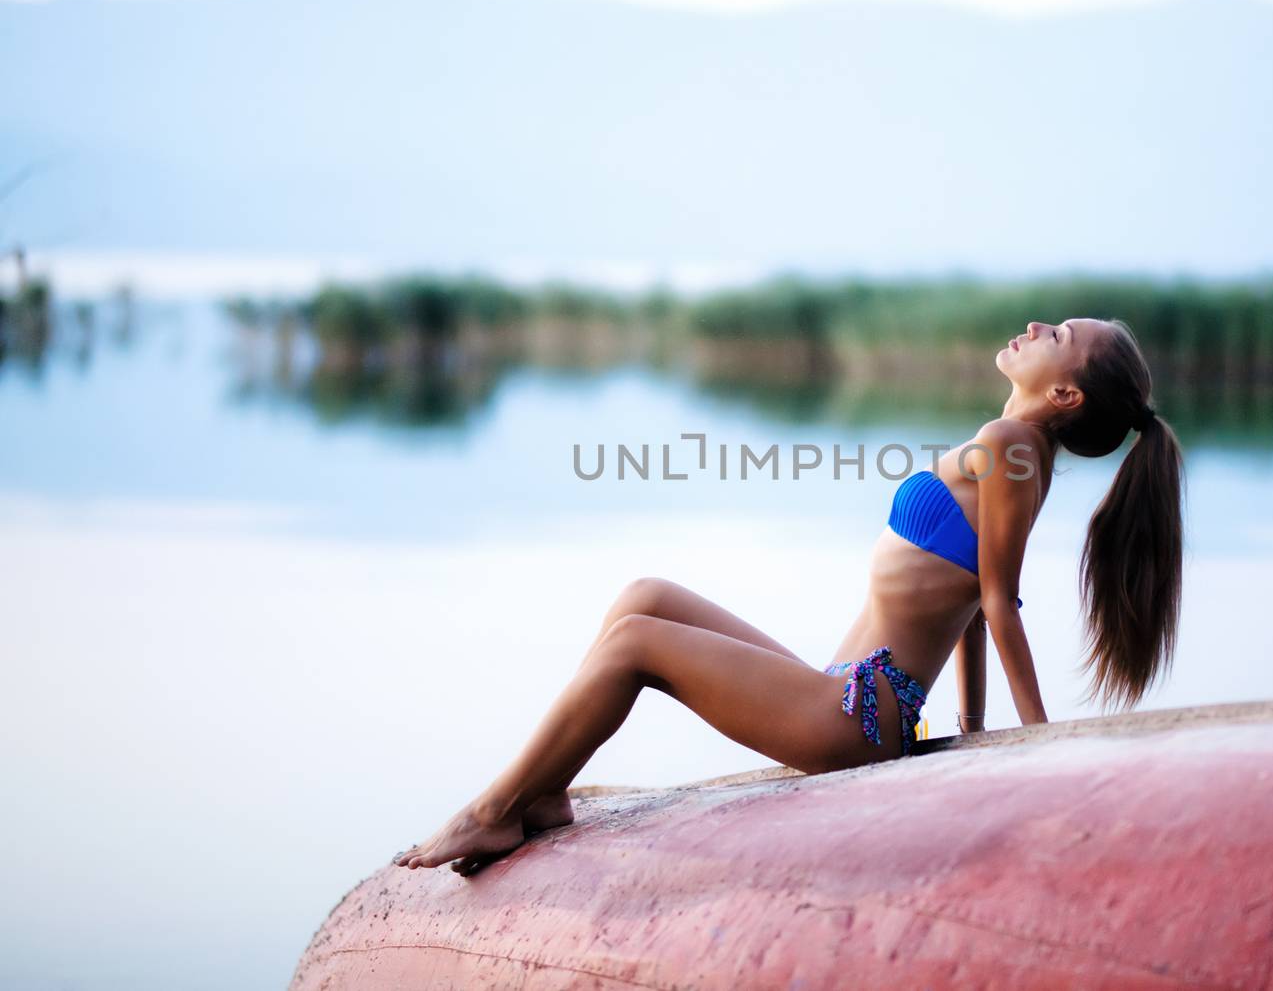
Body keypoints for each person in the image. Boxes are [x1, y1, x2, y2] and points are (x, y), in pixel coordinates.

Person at [394, 317, 1185, 875]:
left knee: (635, 641)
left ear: (1067, 397)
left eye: (1062, 337)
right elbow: (975, 600)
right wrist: (974, 728)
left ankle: (495, 808)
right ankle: (550, 790)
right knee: (647, 594)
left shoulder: (1010, 443)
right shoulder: (1011, 447)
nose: (1039, 326)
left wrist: (1041, 746)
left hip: (853, 719)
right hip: (843, 692)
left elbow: (999, 602)